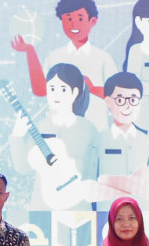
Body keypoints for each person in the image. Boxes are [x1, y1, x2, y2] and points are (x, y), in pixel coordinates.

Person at [12, 0, 117, 128]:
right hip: (59, 130)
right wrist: (30, 51)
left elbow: (117, 94)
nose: (73, 24)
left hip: (94, 130)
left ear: (92, 21)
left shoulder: (103, 58)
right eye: (68, 19)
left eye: (79, 19)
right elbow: (40, 90)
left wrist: (91, 89)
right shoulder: (54, 56)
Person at [8, 62, 98, 211]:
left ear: (75, 93)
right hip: (42, 207)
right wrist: (17, 136)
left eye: (63, 89)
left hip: (78, 208)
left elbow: (96, 172)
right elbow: (23, 167)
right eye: (52, 88)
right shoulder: (40, 126)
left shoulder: (88, 129)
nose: (56, 94)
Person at [93, 71, 149, 209]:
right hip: (105, 217)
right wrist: (134, 184)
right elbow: (89, 188)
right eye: (120, 100)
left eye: (133, 100)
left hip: (142, 218)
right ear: (108, 101)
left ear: (140, 102)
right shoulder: (97, 141)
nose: (127, 106)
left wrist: (108, 181)